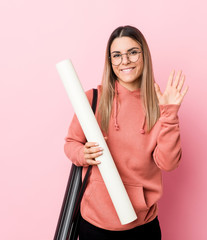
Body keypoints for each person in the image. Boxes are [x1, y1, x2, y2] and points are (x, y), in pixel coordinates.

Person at [64, 25, 188, 240]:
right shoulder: (93, 99)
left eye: (132, 52)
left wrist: (169, 115)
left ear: (144, 56)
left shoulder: (159, 104)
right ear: (110, 62)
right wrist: (82, 154)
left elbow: (168, 163)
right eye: (117, 55)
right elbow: (71, 143)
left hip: (142, 227)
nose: (125, 61)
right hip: (94, 225)